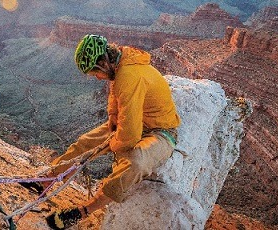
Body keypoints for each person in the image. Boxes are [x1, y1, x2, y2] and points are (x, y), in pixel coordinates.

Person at [46, 34, 181, 229]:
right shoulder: (121, 62)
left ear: (103, 63)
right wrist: (112, 119)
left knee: (135, 162)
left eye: (95, 73)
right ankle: (48, 179)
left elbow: (130, 137)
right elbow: (115, 95)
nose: (98, 78)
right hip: (139, 122)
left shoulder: (129, 76)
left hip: (161, 133)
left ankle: (83, 211)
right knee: (86, 143)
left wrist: (112, 144)